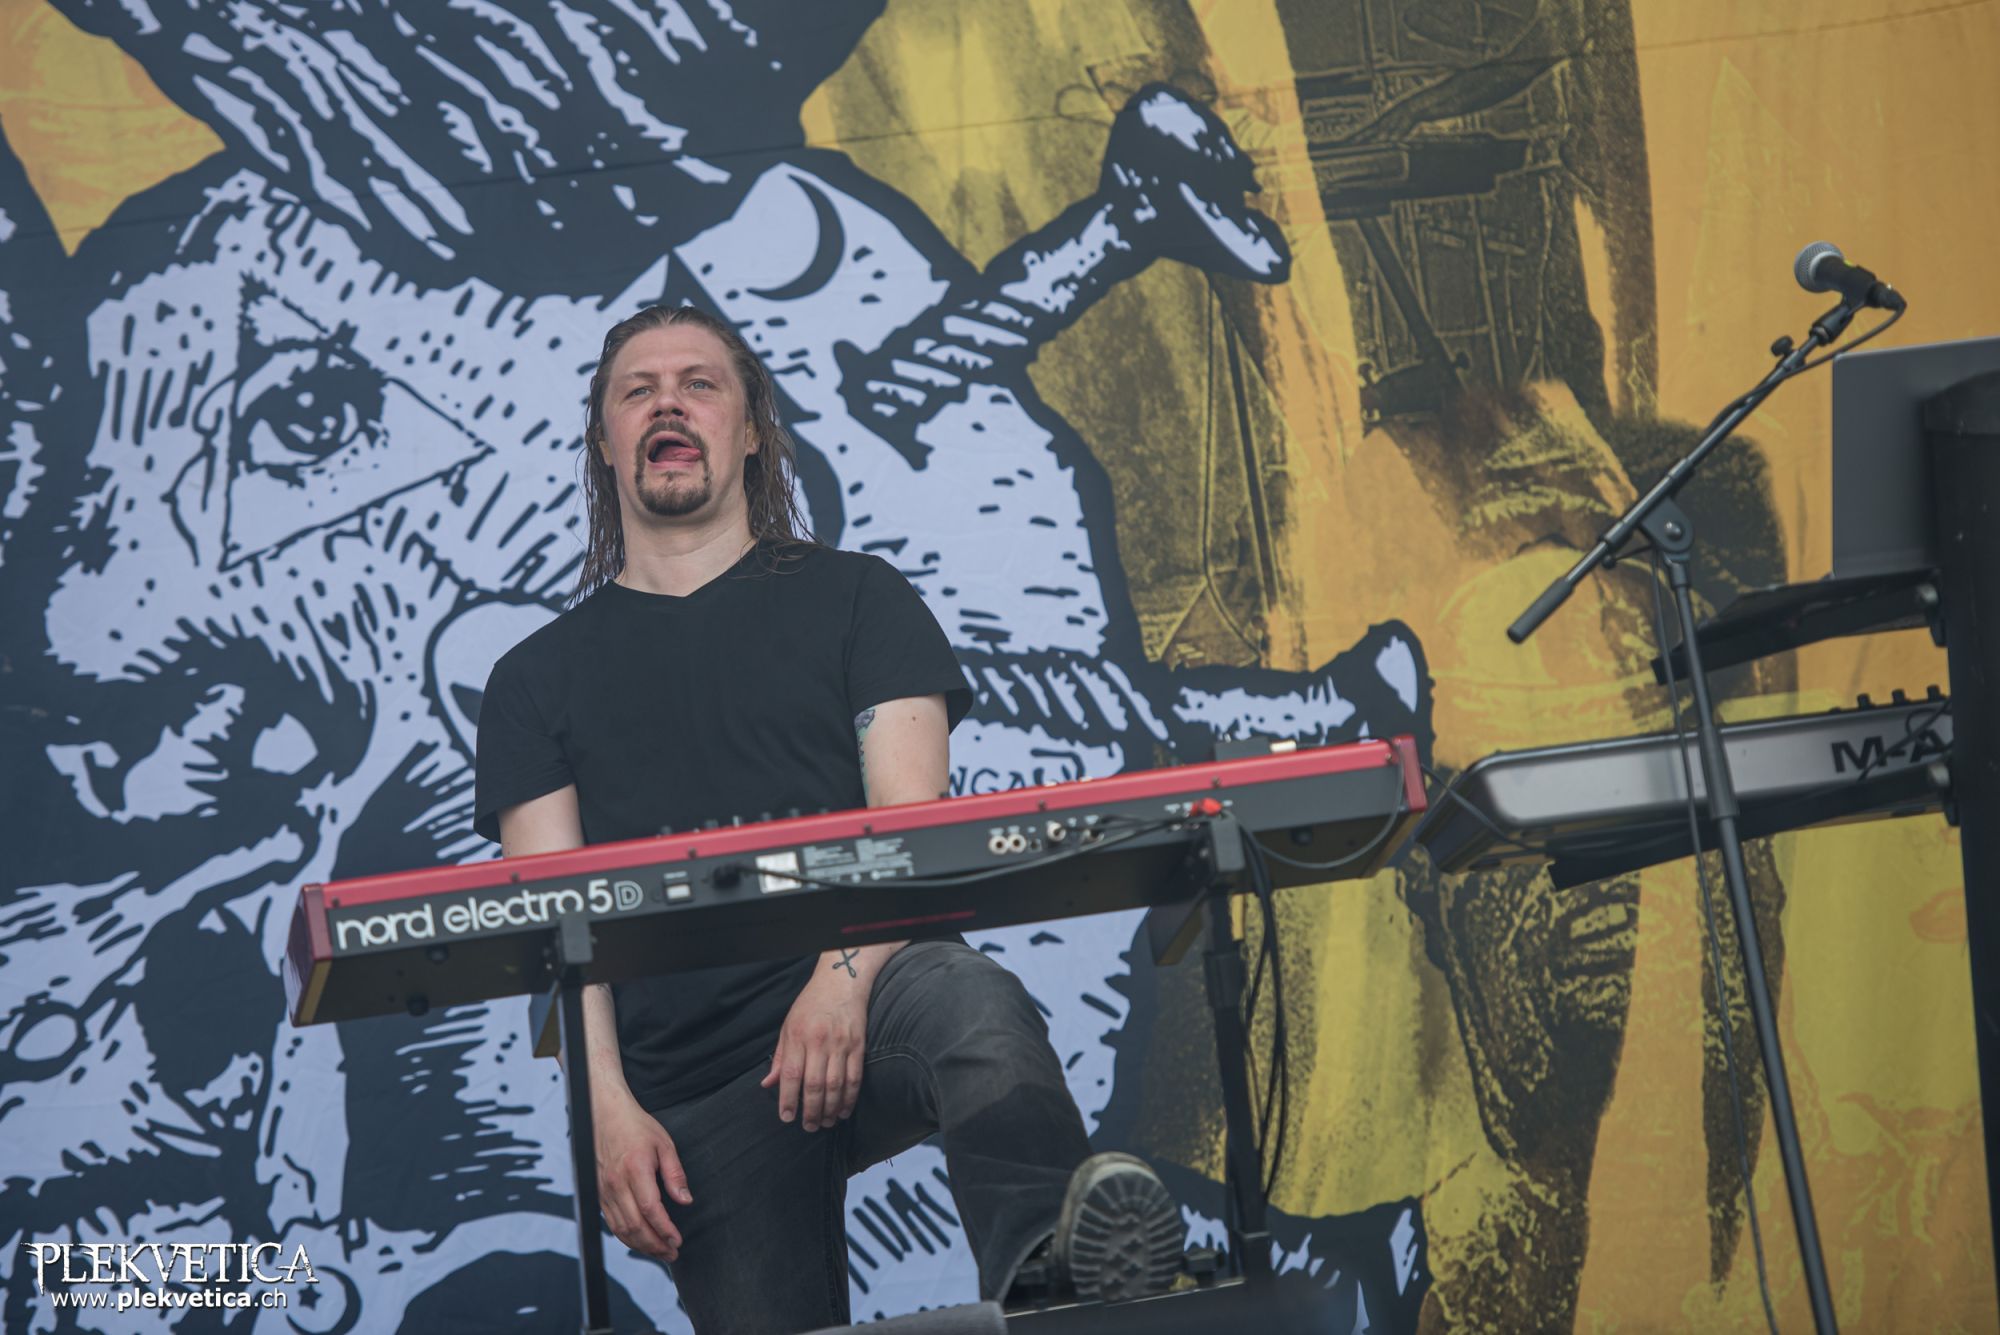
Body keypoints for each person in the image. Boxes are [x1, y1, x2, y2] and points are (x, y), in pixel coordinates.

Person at [472, 303, 1185, 1332]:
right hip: (694, 1087)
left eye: (699, 384)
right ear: (605, 444)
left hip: (877, 984)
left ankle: (1059, 1276)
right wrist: (606, 1115)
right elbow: (557, 927)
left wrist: (839, 982)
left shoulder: (860, 599)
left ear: (752, 432)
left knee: (974, 1006)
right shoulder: (532, 681)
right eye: (638, 391)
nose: (668, 403)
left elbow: (911, 823)